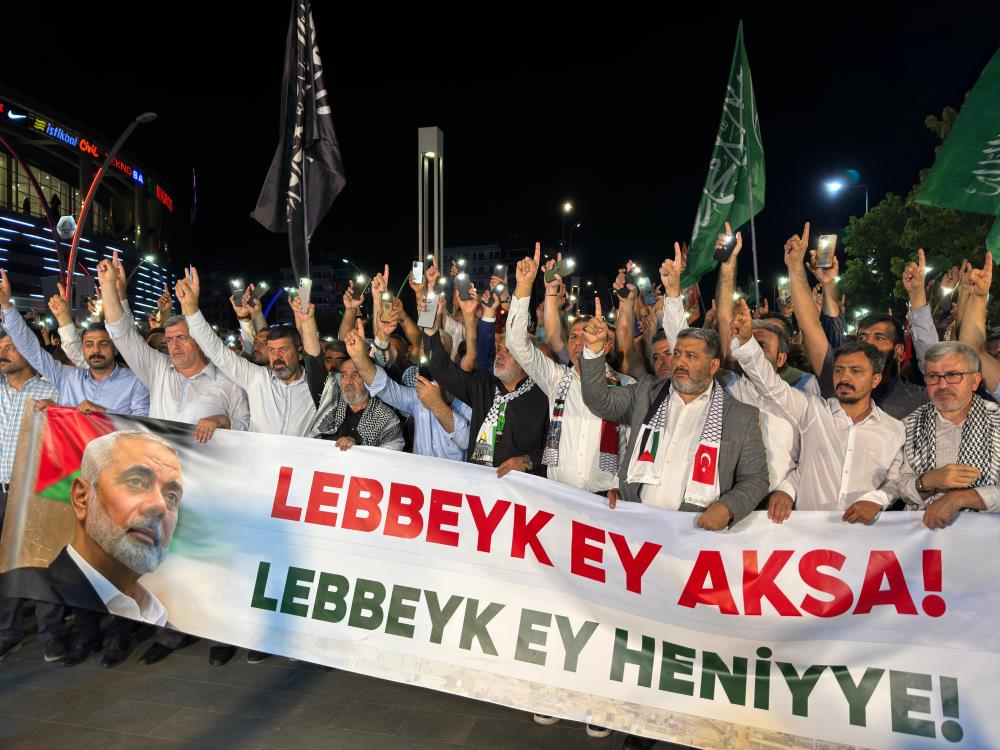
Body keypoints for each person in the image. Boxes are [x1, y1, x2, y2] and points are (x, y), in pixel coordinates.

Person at [96, 255, 250, 666]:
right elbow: (121, 333)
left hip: (210, 489)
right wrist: (112, 289)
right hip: (163, 490)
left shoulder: (227, 381)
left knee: (213, 563)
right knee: (169, 563)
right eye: (170, 339)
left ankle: (220, 631)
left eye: (183, 337)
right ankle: (174, 630)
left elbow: (247, 430)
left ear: (199, 340)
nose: (175, 345)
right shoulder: (158, 370)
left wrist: (221, 420)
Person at [580, 304, 769, 529]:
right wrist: (593, 349)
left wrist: (728, 507)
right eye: (677, 353)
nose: (679, 362)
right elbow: (599, 401)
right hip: (634, 526)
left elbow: (755, 479)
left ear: (713, 366)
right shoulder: (646, 393)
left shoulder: (741, 417)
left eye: (691, 356)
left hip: (693, 534)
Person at [730, 298, 904, 520]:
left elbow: (896, 480)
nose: (845, 377)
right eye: (839, 370)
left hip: (863, 539)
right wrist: (746, 343)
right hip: (808, 536)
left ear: (875, 379)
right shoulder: (812, 410)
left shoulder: (894, 429)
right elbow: (769, 384)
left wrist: (877, 501)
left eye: (856, 371)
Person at [0, 431, 181, 628]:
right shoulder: (22, 583)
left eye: (171, 496)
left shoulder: (163, 624)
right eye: (136, 481)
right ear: (81, 497)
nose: (159, 506)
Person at [784, 222, 927, 418]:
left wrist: (918, 295)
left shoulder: (918, 401)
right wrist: (795, 267)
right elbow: (810, 327)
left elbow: (934, 357)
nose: (868, 344)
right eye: (863, 337)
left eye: (879, 337)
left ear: (899, 350)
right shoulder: (837, 382)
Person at [174, 266, 324, 437]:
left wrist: (306, 320)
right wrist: (191, 309)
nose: (277, 356)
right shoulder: (256, 377)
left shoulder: (318, 386)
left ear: (299, 352)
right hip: (256, 462)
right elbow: (216, 351)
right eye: (271, 350)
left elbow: (315, 355)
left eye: (283, 349)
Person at [423, 293, 549, 478]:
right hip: (480, 487)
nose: (500, 355)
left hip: (522, 494)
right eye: (499, 349)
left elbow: (560, 448)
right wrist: (429, 325)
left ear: (528, 359)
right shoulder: (484, 386)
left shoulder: (545, 397)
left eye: (509, 351)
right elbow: (440, 368)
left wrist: (527, 461)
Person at [0, 326, 66, 664]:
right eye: (1, 347)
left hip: (33, 493)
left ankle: (51, 633)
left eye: (11, 347)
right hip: (1, 491)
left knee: (40, 564)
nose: (4, 353)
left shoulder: (51, 389)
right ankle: (7, 632)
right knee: (5, 566)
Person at [0, 272, 149, 416]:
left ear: (115, 348)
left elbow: (144, 426)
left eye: (103, 344)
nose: (95, 350)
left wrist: (105, 413)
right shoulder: (67, 377)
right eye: (89, 344)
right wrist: (6, 306)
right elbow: (30, 349)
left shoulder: (135, 381)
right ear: (82, 348)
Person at [898, 341, 1000, 529]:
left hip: (988, 542)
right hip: (923, 540)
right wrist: (928, 481)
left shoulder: (996, 420)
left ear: (975, 380)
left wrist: (960, 498)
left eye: (953, 375)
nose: (942, 385)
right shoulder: (908, 425)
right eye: (933, 377)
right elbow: (900, 486)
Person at [337, 319, 468, 459]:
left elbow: (466, 441)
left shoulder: (466, 394)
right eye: (425, 348)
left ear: (447, 356)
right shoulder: (416, 396)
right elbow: (382, 387)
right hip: (417, 478)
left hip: (452, 478)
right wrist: (359, 357)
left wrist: (437, 405)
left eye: (435, 348)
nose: (428, 353)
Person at [308, 321, 405, 452]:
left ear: (368, 379)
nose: (348, 381)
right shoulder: (331, 408)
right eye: (343, 375)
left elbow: (392, 456)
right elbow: (313, 359)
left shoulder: (386, 417)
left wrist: (357, 448)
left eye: (355, 375)